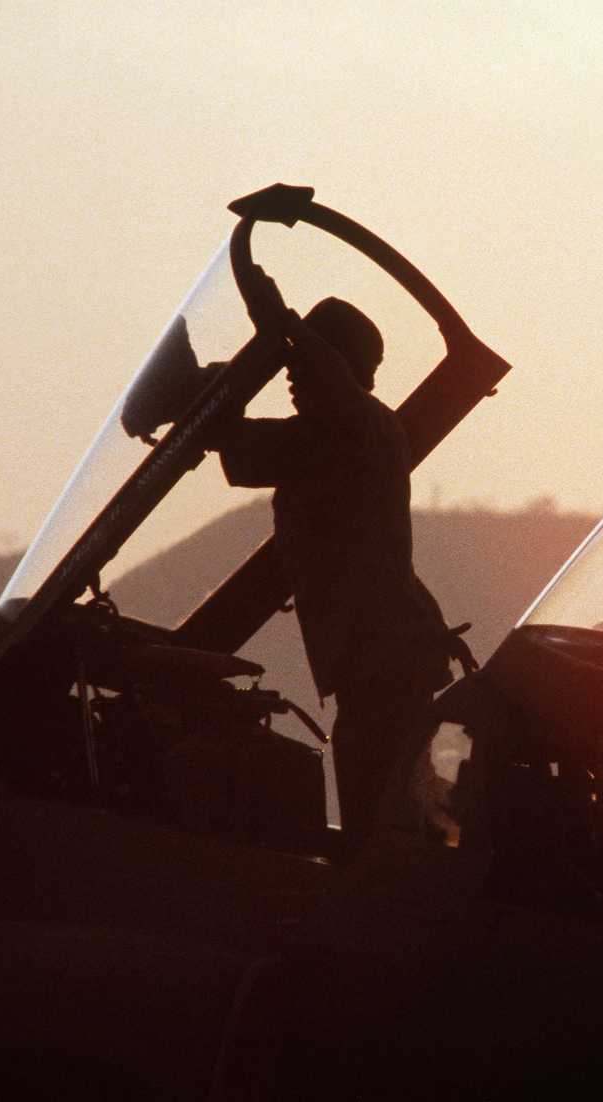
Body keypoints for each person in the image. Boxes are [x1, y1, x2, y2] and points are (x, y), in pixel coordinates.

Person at [208, 294, 473, 850]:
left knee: (381, 823)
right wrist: (200, 389)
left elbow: (324, 385)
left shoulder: (362, 428)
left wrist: (279, 321)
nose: (291, 379)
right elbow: (243, 448)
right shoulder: (328, 437)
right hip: (378, 663)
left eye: (302, 364)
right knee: (379, 804)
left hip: (389, 661)